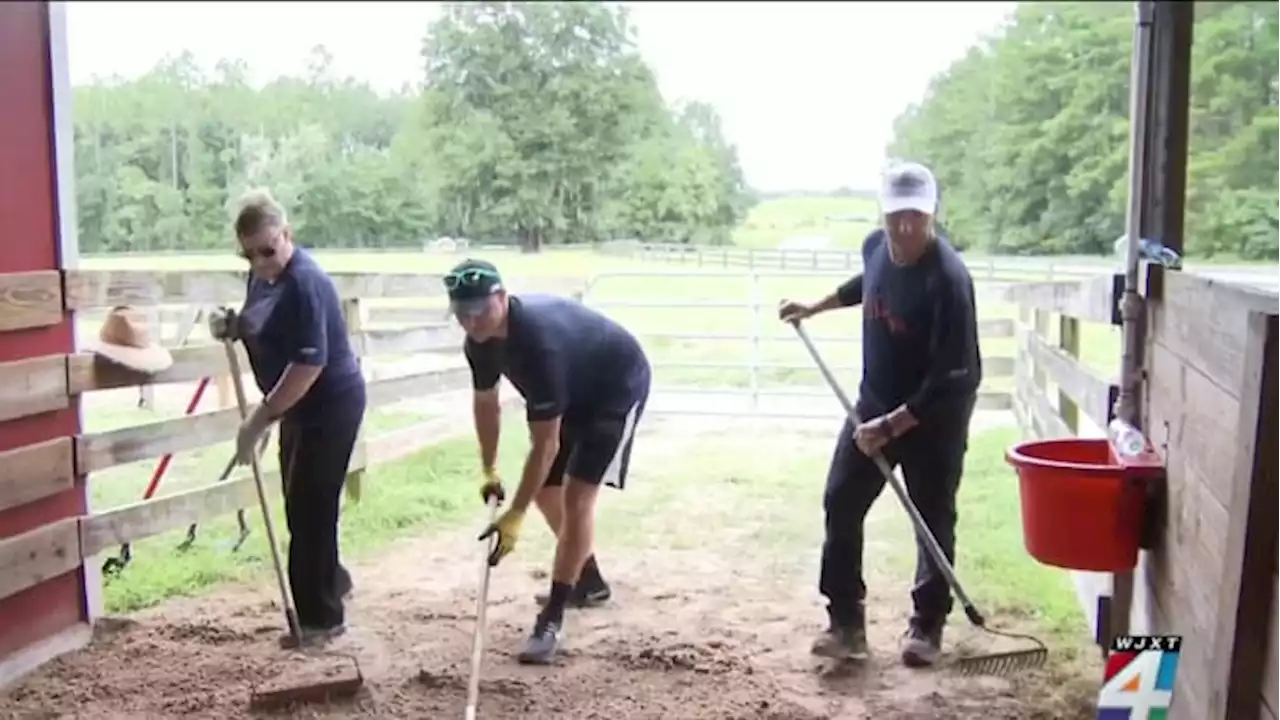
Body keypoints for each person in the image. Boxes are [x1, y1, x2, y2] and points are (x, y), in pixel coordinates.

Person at [777, 161, 981, 668]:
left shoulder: (948, 280)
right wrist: (814, 307)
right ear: (884, 213)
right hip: (872, 404)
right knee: (841, 500)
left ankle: (927, 627)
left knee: (932, 518)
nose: (906, 227)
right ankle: (846, 622)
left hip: (934, 420)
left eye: (917, 216)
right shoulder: (876, 247)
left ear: (932, 215)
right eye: (897, 216)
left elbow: (957, 376)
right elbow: (865, 282)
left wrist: (890, 426)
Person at [448, 258, 651, 665]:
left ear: (502, 298)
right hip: (571, 389)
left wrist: (514, 517)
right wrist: (490, 469)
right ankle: (588, 580)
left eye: (480, 310)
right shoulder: (480, 343)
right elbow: (485, 404)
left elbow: (545, 447)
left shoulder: (540, 343)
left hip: (614, 388)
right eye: (461, 313)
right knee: (545, 491)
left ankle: (553, 617)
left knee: (577, 497)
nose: (472, 322)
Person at [213, 188, 367, 649]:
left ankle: (321, 618)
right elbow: (264, 322)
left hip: (330, 404)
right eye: (250, 254)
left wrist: (260, 418)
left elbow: (308, 365)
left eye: (269, 249)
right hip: (296, 404)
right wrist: (234, 325)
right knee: (301, 502)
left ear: (287, 235)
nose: (261, 261)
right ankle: (331, 579)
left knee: (310, 508)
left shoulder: (306, 282)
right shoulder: (262, 278)